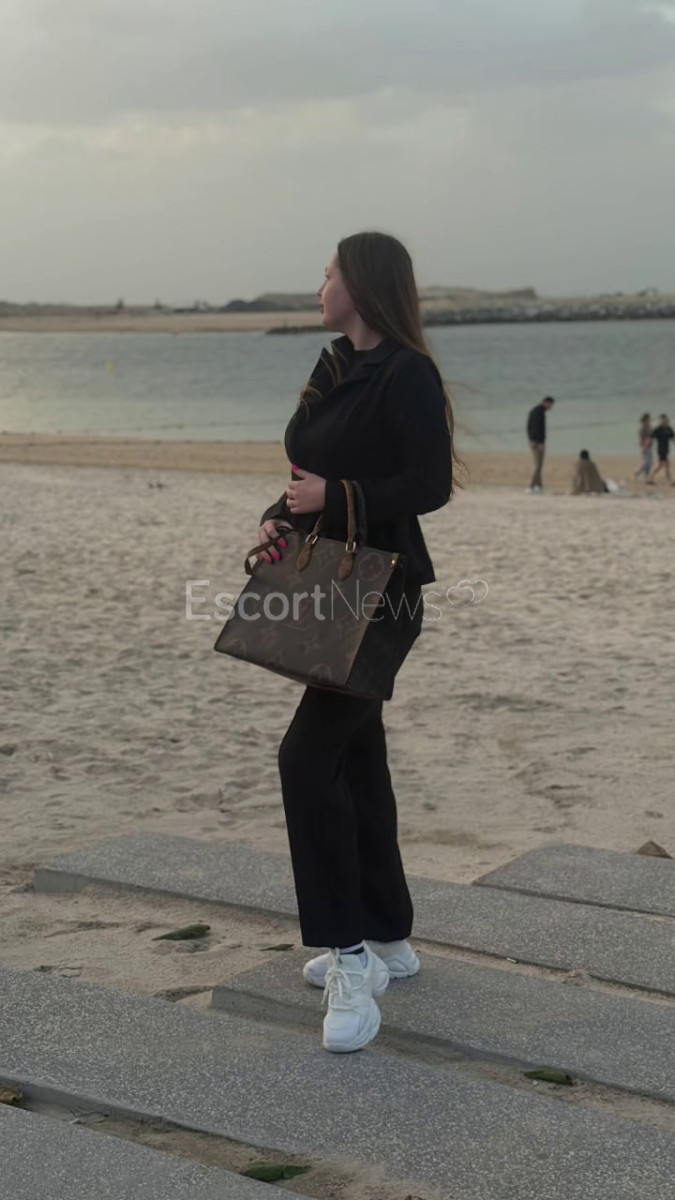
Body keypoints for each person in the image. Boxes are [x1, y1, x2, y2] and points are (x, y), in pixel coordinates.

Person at [254, 231, 458, 1053]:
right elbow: (308, 473)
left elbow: (428, 484)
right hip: (327, 582)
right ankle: (387, 937)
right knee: (355, 757)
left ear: (361, 284)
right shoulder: (335, 364)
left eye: (328, 273)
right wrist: (279, 514)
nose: (319, 285)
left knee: (305, 759)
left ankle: (347, 961)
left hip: (383, 592)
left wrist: (334, 495)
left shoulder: (407, 372)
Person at [526, 396, 555, 493]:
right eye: (551, 405)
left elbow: (529, 427)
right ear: (547, 403)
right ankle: (531, 486)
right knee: (539, 465)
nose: (551, 408)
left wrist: (530, 439)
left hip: (533, 440)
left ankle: (539, 485)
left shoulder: (535, 411)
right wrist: (540, 443)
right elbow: (538, 428)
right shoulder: (539, 413)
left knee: (538, 464)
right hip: (537, 442)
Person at [648, 414, 674, 485]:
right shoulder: (658, 429)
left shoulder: (669, 429)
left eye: (666, 421)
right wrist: (648, 445)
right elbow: (651, 437)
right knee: (665, 465)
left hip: (666, 450)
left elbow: (672, 437)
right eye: (663, 421)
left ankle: (650, 478)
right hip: (660, 450)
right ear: (661, 421)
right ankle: (671, 481)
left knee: (661, 465)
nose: (665, 422)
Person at [634, 413, 653, 481]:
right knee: (647, 462)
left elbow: (650, 437)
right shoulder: (643, 428)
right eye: (649, 419)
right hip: (645, 446)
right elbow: (644, 438)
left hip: (649, 446)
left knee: (649, 463)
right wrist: (644, 447)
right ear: (646, 420)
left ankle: (647, 477)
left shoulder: (648, 427)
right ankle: (637, 471)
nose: (650, 420)